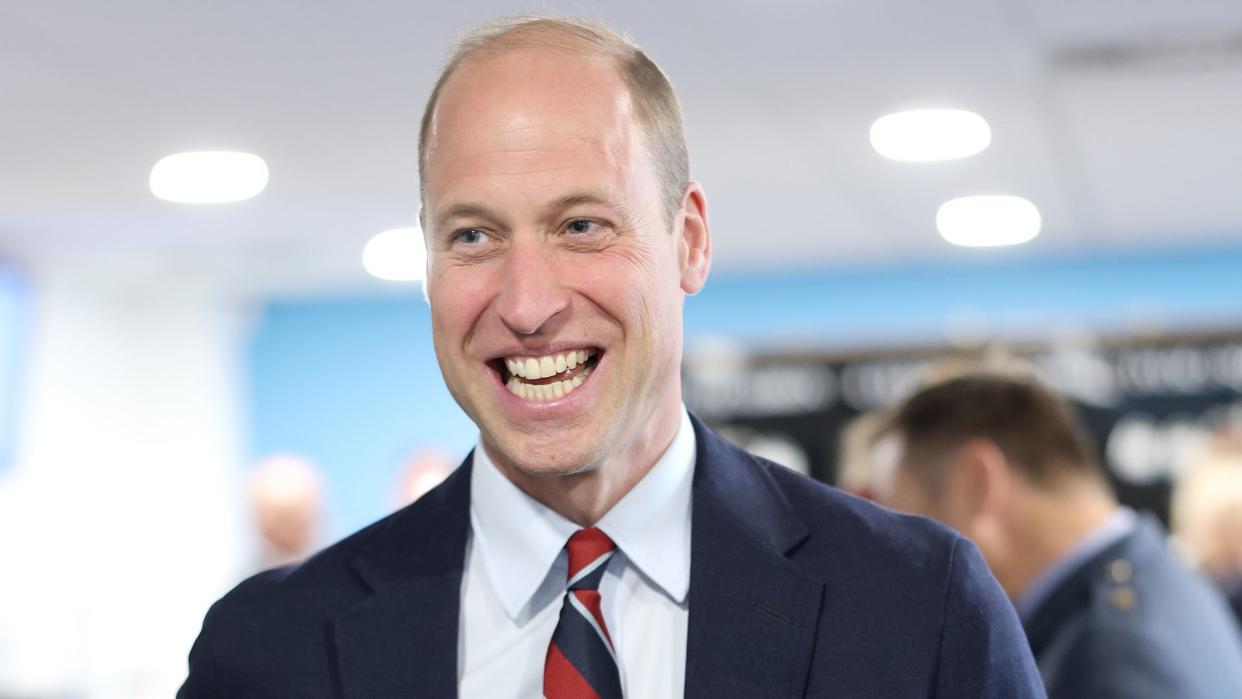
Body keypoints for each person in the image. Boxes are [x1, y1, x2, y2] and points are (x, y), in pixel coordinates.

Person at [180, 16, 1042, 697]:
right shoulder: (268, 652)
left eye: (581, 226)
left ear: (690, 242)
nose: (526, 304)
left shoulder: (918, 609)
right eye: (473, 235)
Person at [872, 369, 1242, 697]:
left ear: (976, 483)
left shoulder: (1106, 655)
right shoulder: (1150, 583)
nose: (891, 554)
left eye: (900, 518)